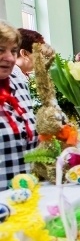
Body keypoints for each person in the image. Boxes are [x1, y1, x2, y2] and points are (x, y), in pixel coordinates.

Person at [0, 21, 37, 187]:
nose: (9, 57)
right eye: (1, 50)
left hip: (27, 196)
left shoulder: (19, 84)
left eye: (13, 51)